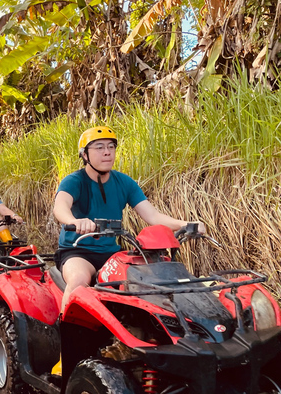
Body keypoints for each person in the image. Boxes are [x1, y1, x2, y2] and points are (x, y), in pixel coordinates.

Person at [50, 126, 203, 374]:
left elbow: (152, 215)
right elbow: (61, 206)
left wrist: (185, 225)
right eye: (99, 147)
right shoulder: (74, 180)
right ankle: (63, 354)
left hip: (113, 252)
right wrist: (75, 221)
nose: (107, 152)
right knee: (79, 281)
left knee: (153, 282)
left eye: (111, 146)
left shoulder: (124, 182)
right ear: (85, 154)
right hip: (78, 251)